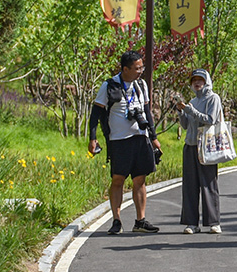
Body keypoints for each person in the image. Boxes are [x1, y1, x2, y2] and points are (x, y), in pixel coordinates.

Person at [88, 50, 162, 234]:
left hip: (140, 137)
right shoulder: (109, 85)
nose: (140, 71)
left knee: (140, 179)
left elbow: (146, 111)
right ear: (125, 69)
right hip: (119, 140)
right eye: (137, 68)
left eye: (141, 67)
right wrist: (92, 137)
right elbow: (95, 113)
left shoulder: (141, 84)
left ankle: (140, 221)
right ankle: (116, 220)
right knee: (118, 179)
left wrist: (153, 137)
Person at [175, 69, 223, 234]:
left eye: (200, 80)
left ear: (206, 81)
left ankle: (213, 222)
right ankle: (191, 223)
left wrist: (189, 110)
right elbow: (186, 125)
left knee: (208, 184)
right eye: (194, 80)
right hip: (190, 145)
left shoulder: (213, 98)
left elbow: (210, 120)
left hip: (207, 146)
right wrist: (181, 111)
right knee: (190, 185)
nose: (197, 83)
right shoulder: (192, 101)